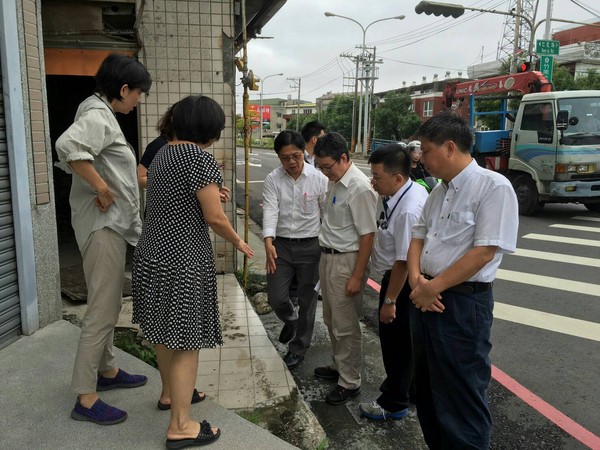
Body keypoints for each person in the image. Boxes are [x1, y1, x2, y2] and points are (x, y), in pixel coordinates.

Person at [132, 95, 254, 447]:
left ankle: (170, 394)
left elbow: (180, 198)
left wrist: (215, 193)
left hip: (151, 255)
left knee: (161, 330)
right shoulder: (200, 159)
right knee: (186, 341)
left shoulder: (163, 153)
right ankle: (181, 426)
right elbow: (213, 217)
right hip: (183, 260)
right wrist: (239, 242)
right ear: (209, 128)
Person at [407, 111, 518, 449]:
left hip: (461, 304)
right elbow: (417, 237)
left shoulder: (493, 187)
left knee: (462, 392)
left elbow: (484, 252)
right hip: (426, 297)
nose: (421, 158)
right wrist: (416, 282)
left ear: (450, 147)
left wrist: (431, 288)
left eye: (426, 151)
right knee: (426, 389)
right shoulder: (439, 192)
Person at [55, 53, 152, 425]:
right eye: (138, 93)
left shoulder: (97, 112)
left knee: (106, 302)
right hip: (103, 226)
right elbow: (67, 147)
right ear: (123, 89)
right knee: (103, 309)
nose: (139, 100)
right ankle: (86, 396)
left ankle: (108, 371)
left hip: (107, 226)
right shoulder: (96, 115)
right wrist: (101, 188)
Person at [358, 144, 428, 421]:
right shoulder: (400, 194)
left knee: (395, 344)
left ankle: (394, 402)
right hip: (403, 279)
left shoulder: (409, 209)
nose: (373, 182)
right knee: (406, 344)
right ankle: (407, 393)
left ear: (397, 178)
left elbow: (402, 261)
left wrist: (389, 301)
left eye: (376, 176)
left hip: (401, 282)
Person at [313, 132, 378, 405]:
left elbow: (368, 235)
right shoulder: (336, 182)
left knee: (346, 325)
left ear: (344, 157)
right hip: (328, 258)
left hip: (347, 261)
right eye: (321, 167)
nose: (325, 172)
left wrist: (357, 275)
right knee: (331, 319)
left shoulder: (360, 187)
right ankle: (340, 367)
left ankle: (349, 382)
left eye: (328, 166)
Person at [262, 130, 328, 370]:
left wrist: (325, 246)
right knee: (276, 297)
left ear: (304, 153)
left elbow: (324, 214)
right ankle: (291, 320)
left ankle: (299, 348)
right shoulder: (273, 179)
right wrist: (268, 240)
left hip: (311, 246)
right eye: (284, 157)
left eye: (296, 156)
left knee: (308, 301)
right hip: (280, 246)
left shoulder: (319, 179)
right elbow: (270, 209)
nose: (291, 162)